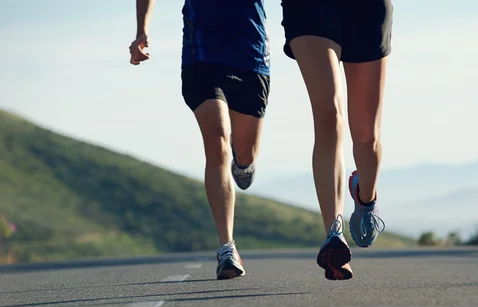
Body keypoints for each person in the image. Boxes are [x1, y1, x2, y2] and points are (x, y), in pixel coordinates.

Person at [129, 0, 271, 279]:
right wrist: (142, 31)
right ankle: (227, 247)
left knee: (245, 154)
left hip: (249, 51)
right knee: (217, 142)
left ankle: (243, 163)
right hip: (201, 54)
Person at [280, 0, 391, 280]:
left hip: (366, 8)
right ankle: (334, 234)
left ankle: (365, 197)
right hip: (309, 8)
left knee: (367, 137)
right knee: (330, 117)